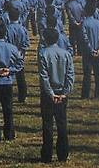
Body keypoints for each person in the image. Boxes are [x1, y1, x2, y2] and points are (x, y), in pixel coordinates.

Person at [38, 28, 74, 163]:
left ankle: (47, 154)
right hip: (62, 93)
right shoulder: (66, 54)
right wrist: (64, 93)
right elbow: (70, 75)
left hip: (48, 94)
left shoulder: (43, 53)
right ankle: (63, 154)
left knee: (47, 124)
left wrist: (51, 94)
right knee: (62, 123)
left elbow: (44, 76)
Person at [81, 2, 99, 99]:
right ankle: (98, 94)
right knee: (98, 74)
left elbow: (85, 38)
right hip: (98, 51)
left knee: (87, 74)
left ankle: (85, 94)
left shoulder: (84, 23)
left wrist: (91, 50)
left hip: (87, 52)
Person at [6, 7, 30, 103]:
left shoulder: (6, 28)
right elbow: (26, 43)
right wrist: (21, 53)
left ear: (9, 17)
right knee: (21, 76)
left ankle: (8, 96)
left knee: (8, 77)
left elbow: (5, 42)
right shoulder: (23, 29)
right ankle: (22, 96)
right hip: (20, 54)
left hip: (9, 55)